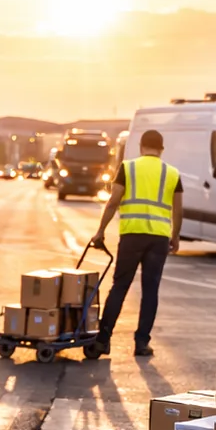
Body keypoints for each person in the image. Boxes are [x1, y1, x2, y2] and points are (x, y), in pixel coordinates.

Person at [89, 129, 182, 358]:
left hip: (132, 236)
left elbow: (113, 202)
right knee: (150, 291)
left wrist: (100, 231)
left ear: (141, 147)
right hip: (159, 239)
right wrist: (175, 235)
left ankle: (102, 340)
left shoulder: (127, 168)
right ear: (161, 149)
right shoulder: (172, 173)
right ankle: (141, 343)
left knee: (120, 286)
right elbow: (178, 209)